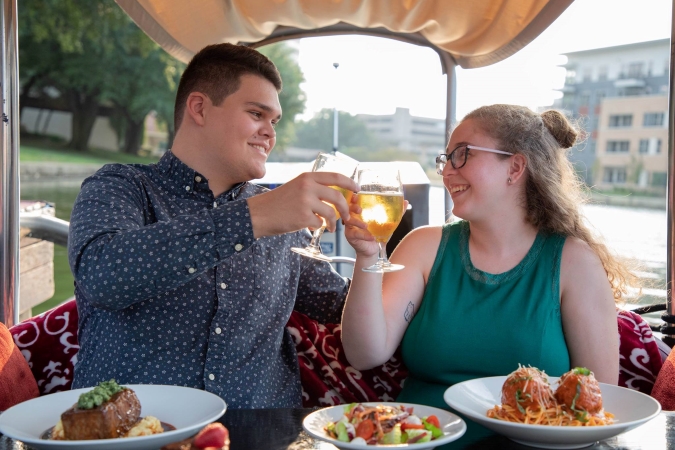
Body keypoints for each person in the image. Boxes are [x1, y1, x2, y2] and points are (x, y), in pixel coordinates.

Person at [67, 43, 359, 409]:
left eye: (274, 122)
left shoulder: (282, 217)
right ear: (200, 108)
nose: (270, 133)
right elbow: (103, 275)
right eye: (257, 113)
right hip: (130, 433)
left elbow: (337, 303)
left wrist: (373, 254)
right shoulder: (120, 186)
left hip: (260, 437)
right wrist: (254, 217)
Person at [342, 104, 625, 411]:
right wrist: (368, 256)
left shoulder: (576, 263)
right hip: (425, 437)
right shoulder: (423, 246)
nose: (448, 171)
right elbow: (365, 354)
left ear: (515, 168)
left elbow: (597, 401)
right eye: (446, 158)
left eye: (463, 154)